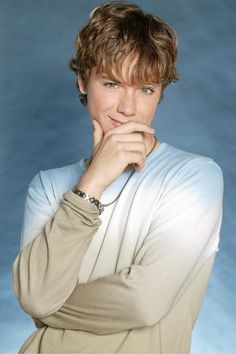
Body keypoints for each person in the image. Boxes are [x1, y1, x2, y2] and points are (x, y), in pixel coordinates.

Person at [12, 2, 224, 353]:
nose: (128, 108)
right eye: (112, 83)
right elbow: (35, 297)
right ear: (83, 81)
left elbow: (144, 301)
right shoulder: (48, 186)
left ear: (160, 93)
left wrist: (49, 305)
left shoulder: (194, 177)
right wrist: (91, 184)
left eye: (145, 89)